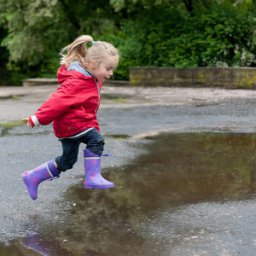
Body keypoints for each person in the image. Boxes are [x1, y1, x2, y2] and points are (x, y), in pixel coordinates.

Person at [22, 35, 120, 200]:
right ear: (93, 64)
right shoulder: (77, 81)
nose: (110, 73)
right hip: (73, 125)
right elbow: (57, 101)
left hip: (73, 126)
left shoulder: (90, 77)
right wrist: (37, 118)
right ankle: (92, 178)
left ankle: (32, 177)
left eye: (112, 69)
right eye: (108, 68)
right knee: (96, 140)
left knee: (67, 161)